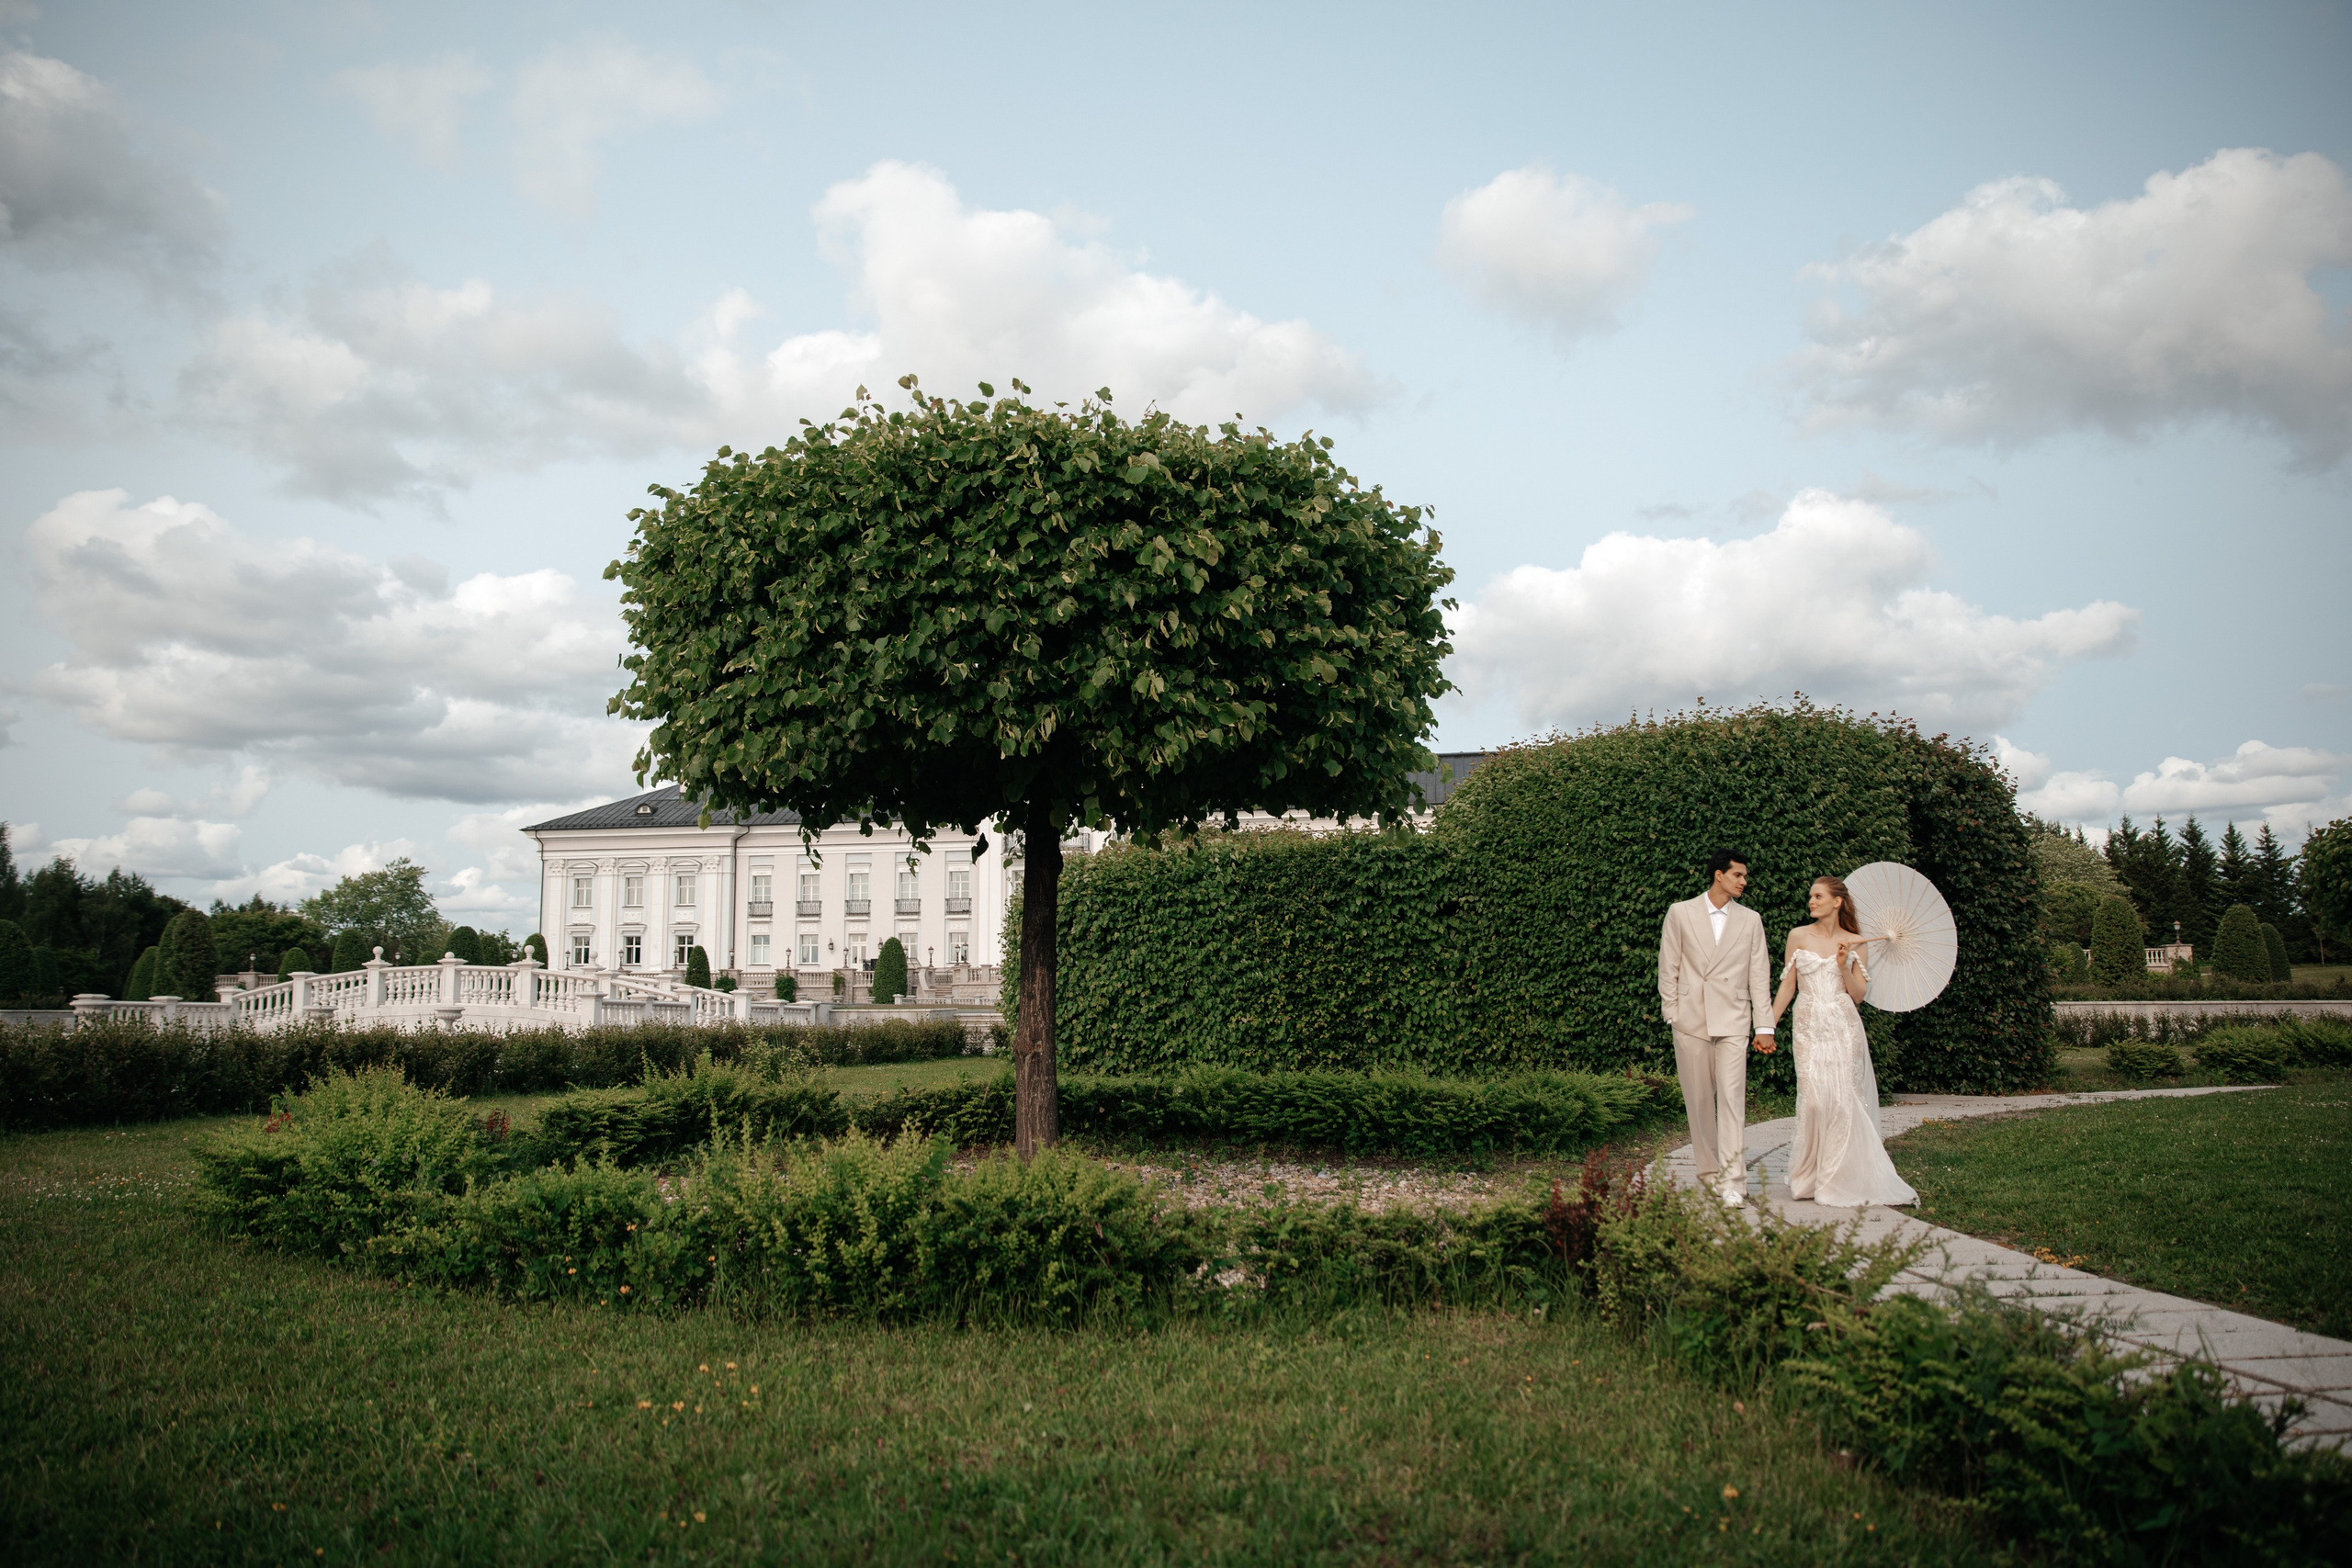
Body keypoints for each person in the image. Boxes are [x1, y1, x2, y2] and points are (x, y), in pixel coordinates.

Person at [1764, 874, 1917, 1209]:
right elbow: (1788, 986)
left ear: (1837, 902)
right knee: (1814, 1100)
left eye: (1818, 896)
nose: (1811, 901)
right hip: (1807, 1023)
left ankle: (1835, 1179)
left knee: (1842, 1100)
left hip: (1843, 1024)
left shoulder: (1857, 941)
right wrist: (1767, 1027)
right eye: (1810, 896)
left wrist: (1843, 965)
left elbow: (1860, 996)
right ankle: (1808, 1175)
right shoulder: (1797, 936)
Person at [1657, 851, 1775, 1206]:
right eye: (1738, 875)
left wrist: (1764, 1025)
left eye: (1745, 876)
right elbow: (1669, 965)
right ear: (1718, 875)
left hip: (1734, 1019)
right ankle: (1709, 1174)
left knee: (1731, 1099)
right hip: (1691, 1020)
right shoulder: (1681, 912)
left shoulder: (1751, 920)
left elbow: (1759, 974)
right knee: (1698, 1102)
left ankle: (1733, 1181)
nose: (1743, 881)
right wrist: (1672, 1013)